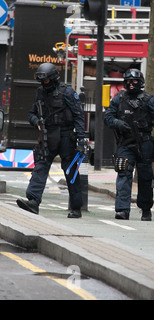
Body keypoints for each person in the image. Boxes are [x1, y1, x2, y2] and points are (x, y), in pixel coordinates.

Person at [16, 63, 86, 218]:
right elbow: (31, 114)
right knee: (40, 166)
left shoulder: (67, 92)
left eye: (46, 80)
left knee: (70, 171)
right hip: (48, 135)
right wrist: (37, 123)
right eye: (41, 80)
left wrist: (82, 139)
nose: (43, 83)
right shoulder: (40, 92)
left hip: (67, 136)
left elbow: (79, 116)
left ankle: (76, 208)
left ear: (53, 78)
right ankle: (33, 202)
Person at [104, 68, 154, 221]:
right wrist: (118, 123)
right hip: (126, 142)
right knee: (124, 174)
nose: (132, 85)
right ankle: (122, 210)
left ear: (141, 83)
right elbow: (108, 117)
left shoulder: (150, 100)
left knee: (145, 178)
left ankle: (146, 209)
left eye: (135, 82)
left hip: (145, 143)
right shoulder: (118, 99)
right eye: (129, 82)